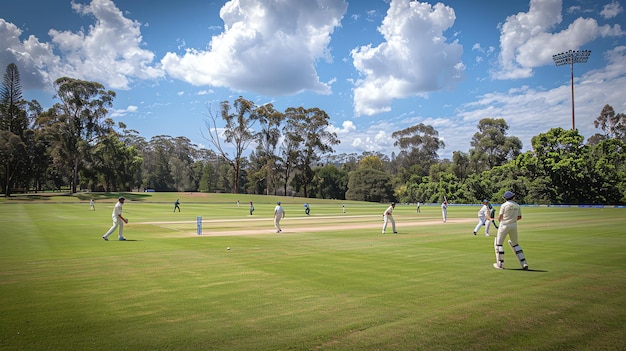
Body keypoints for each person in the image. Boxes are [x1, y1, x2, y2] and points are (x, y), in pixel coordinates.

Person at [493, 191, 529, 270]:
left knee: (499, 244)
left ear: (505, 198)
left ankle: (500, 264)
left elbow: (500, 217)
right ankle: (524, 263)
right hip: (513, 226)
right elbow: (519, 217)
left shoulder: (504, 205)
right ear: (513, 197)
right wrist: (512, 220)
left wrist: (503, 220)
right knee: (515, 244)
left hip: (504, 225)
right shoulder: (517, 205)